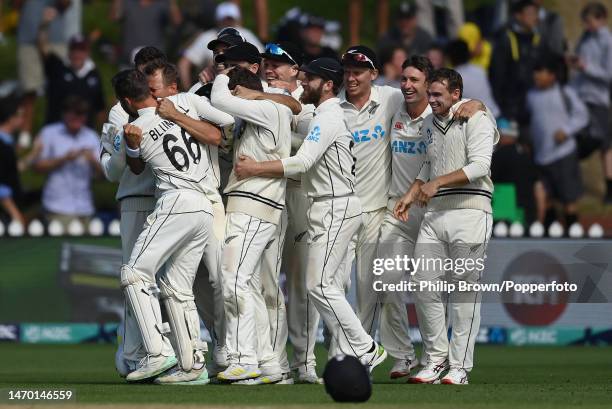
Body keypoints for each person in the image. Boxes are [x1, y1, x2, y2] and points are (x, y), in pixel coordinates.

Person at [233, 57, 387, 373]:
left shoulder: (327, 119)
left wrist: (254, 168)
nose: (303, 84)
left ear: (328, 84)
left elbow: (301, 163)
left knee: (319, 286)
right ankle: (363, 347)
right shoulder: (323, 116)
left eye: (309, 79)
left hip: (336, 206)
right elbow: (304, 162)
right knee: (322, 286)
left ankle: (365, 347)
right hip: (329, 205)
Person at [112, 68, 225, 384]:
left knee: (133, 273)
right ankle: (191, 366)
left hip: (176, 201)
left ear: (125, 100)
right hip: (204, 206)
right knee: (177, 286)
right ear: (149, 89)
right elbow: (217, 133)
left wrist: (131, 144)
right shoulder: (179, 111)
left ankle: (158, 353)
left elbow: (134, 170)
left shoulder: (137, 126)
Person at [395, 68, 497, 385]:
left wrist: (437, 183)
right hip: (435, 214)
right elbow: (430, 161)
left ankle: (459, 366)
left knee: (464, 292)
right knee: (424, 284)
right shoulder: (428, 122)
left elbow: (481, 165)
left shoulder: (476, 116)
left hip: (471, 210)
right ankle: (437, 360)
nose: (432, 100)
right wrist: (411, 194)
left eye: (439, 95)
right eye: (431, 94)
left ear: (456, 94)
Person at [210, 66, 293, 383]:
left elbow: (218, 98)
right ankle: (268, 361)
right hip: (255, 205)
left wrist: (222, 75)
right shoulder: (265, 113)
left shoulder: (268, 108)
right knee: (250, 287)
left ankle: (244, 360)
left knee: (233, 281)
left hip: (255, 205)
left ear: (239, 90)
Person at [260, 41, 319, 383]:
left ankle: (304, 361)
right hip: (267, 194)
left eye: (279, 63)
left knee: (303, 285)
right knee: (267, 280)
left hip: (300, 194)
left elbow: (312, 141)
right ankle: (275, 360)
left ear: (295, 70)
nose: (271, 67)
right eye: (267, 62)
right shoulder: (256, 95)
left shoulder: (310, 102)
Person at [528, 55, 588, 228]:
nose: (537, 76)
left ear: (552, 75)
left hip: (563, 154)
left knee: (569, 199)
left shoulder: (564, 93)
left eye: (541, 72)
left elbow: (582, 115)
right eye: (535, 72)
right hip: (541, 156)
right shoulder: (531, 95)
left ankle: (572, 234)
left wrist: (566, 131)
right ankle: (551, 236)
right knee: (547, 200)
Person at [33, 95, 101, 229]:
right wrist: (64, 159)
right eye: (74, 114)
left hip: (85, 207)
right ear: (65, 114)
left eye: (81, 114)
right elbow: (37, 166)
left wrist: (92, 161)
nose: (78, 118)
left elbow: (102, 175)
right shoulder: (49, 133)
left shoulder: (92, 136)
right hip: (57, 207)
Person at [569, 2, 612, 203]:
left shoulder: (607, 41)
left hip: (598, 99)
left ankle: (609, 188)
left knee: (605, 145)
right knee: (577, 141)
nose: (587, 26)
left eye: (591, 21)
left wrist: (586, 67)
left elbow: (608, 75)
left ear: (602, 19)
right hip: (580, 97)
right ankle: (575, 184)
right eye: (585, 22)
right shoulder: (585, 38)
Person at [16, 0, 73, 148]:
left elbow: (67, 3)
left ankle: (58, 132)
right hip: (28, 38)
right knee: (29, 89)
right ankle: (25, 135)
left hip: (55, 39)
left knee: (59, 88)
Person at [38, 7, 105, 127]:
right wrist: (45, 24)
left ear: (87, 52)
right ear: (69, 51)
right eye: (74, 49)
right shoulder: (57, 67)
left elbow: (99, 107)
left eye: (81, 50)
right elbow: (42, 47)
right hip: (56, 130)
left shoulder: (94, 74)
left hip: (84, 134)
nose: (77, 54)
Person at [178, 2, 262, 90]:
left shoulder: (247, 34)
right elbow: (183, 63)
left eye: (230, 18)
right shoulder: (206, 36)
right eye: (216, 52)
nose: (220, 56)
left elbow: (262, 59)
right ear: (217, 20)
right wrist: (187, 88)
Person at [489, 0, 545, 132]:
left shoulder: (538, 40)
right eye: (530, 13)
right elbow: (497, 76)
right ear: (518, 16)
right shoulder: (506, 39)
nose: (534, 17)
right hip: (509, 108)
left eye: (536, 13)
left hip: (533, 106)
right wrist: (501, 107)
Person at [110, 0, 182, 67]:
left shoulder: (163, 3)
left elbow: (177, 22)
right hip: (128, 57)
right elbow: (114, 17)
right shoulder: (128, 2)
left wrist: (172, 3)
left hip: (155, 59)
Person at [447, 39, 500, 118]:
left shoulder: (453, 78)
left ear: (450, 57)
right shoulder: (480, 70)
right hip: (495, 114)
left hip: (479, 120)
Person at [0, 93, 26, 225]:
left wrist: (34, 154)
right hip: (5, 212)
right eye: (21, 116)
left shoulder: (8, 143)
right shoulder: (2, 145)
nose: (23, 120)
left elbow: (14, 169)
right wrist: (14, 213)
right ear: (11, 118)